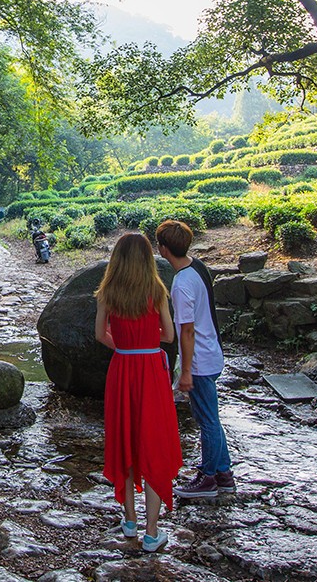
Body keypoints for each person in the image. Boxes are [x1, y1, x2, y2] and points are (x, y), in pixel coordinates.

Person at [94, 231, 181, 553]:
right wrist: (145, 341)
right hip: (150, 373)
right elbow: (169, 336)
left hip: (122, 370)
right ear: (147, 259)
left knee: (125, 442)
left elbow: (99, 334)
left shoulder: (107, 291)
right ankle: (151, 532)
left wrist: (126, 346)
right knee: (153, 444)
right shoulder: (156, 290)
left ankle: (129, 520)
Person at [156, 219, 236, 499]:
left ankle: (208, 477)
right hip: (211, 351)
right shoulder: (198, 267)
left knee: (207, 420)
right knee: (211, 417)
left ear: (163, 249)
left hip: (199, 359)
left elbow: (186, 331)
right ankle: (224, 473)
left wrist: (186, 371)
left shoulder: (181, 284)